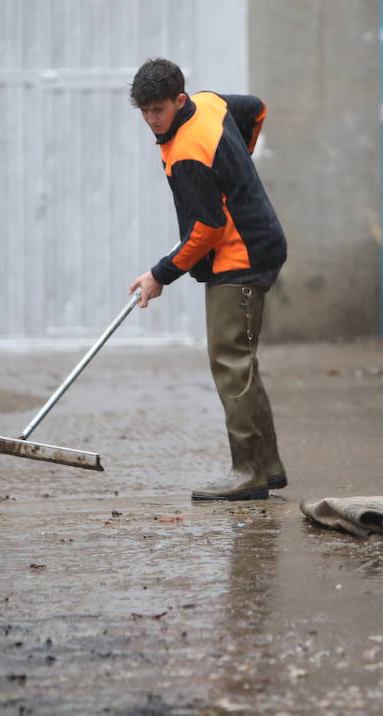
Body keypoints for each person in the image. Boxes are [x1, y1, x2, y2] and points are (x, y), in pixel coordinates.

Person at [126, 58, 288, 501]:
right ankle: (267, 467)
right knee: (241, 362)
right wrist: (239, 169)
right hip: (257, 241)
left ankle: (247, 471)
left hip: (242, 256)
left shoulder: (188, 153)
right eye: (143, 111)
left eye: (158, 110)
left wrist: (161, 274)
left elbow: (208, 228)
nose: (151, 120)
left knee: (230, 361)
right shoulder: (210, 104)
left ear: (180, 100)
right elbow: (254, 109)